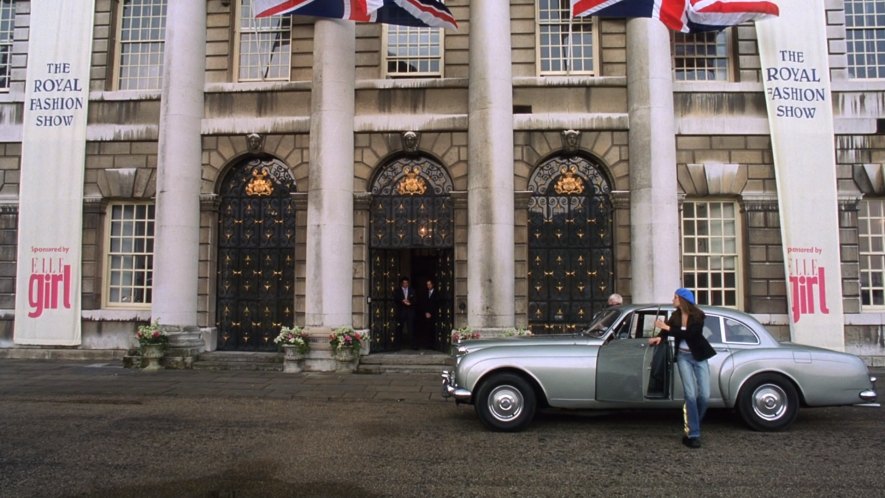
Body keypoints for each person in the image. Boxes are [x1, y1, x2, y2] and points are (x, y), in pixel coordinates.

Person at [648, 288, 716, 449]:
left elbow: (691, 334)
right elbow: (668, 331)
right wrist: (660, 336)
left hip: (699, 357)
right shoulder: (675, 316)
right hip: (683, 357)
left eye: (675, 297)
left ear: (682, 300)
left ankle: (692, 425)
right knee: (690, 394)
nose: (673, 300)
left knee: (705, 395)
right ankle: (693, 434)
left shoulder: (698, 316)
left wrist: (667, 329)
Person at [394, 277, 417, 349]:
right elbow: (395, 299)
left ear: (408, 283)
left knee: (411, 328)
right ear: (401, 283)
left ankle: (413, 345)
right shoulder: (398, 290)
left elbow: (415, 300)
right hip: (401, 312)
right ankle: (398, 345)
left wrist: (410, 303)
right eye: (404, 283)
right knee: (399, 328)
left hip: (410, 312)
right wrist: (402, 301)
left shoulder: (412, 290)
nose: (405, 284)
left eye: (406, 283)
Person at [419, 279, 440, 349]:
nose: (428, 286)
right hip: (426, 314)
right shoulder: (425, 293)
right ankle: (427, 344)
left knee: (433, 329)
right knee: (426, 329)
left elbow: (436, 304)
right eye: (427, 284)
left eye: (429, 284)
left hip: (433, 314)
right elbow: (423, 303)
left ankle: (434, 345)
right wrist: (426, 312)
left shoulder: (437, 293)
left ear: (432, 285)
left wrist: (430, 312)